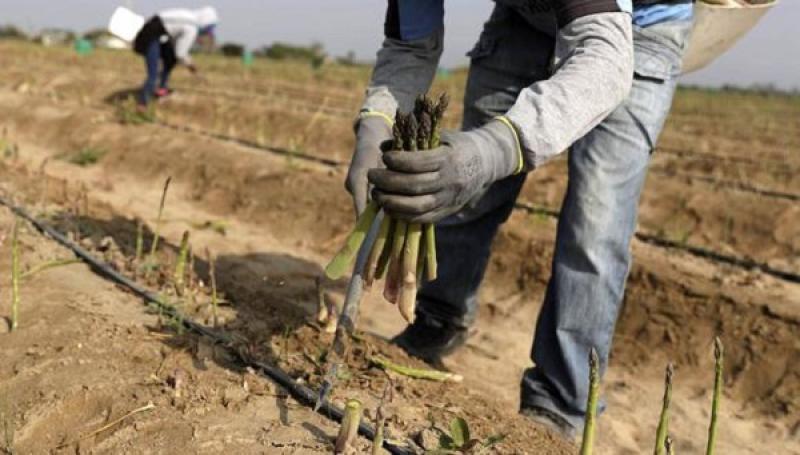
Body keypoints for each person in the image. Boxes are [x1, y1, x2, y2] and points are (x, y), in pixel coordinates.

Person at [345, 0, 694, 441]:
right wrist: (376, 122)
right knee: (469, 194)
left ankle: (560, 401)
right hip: (524, 21)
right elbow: (409, 45)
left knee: (596, 223)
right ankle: (437, 318)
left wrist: (494, 150)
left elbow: (605, 63)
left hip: (636, 34)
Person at [133, 6, 219, 106]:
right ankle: (142, 104)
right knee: (154, 74)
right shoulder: (192, 27)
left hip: (154, 31)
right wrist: (191, 66)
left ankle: (161, 89)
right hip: (150, 36)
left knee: (171, 58)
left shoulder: (188, 17)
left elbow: (174, 45)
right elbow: (180, 53)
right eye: (208, 29)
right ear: (204, 23)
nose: (206, 32)